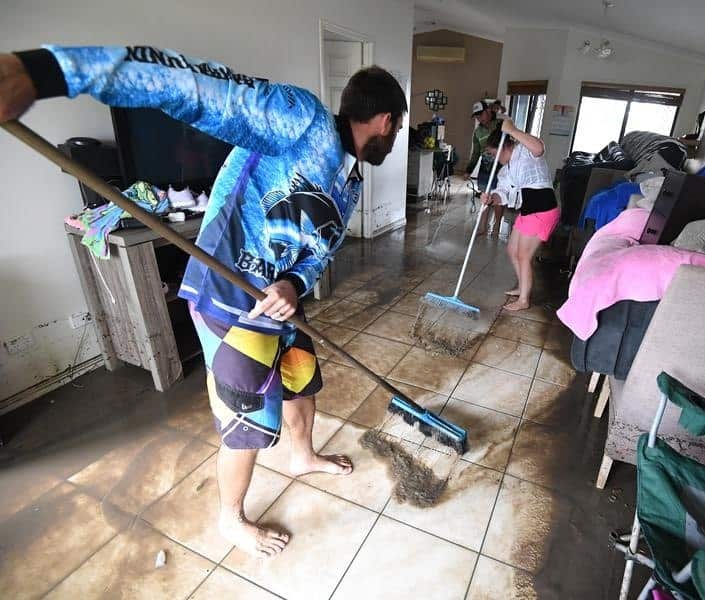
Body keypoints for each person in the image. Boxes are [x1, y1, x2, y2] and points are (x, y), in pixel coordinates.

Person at [0, 45, 406, 557]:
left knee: (303, 383)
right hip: (230, 300)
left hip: (282, 304)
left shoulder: (347, 182)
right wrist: (42, 72)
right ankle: (231, 519)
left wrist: (295, 285)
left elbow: (317, 255)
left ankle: (301, 456)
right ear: (386, 121)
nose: (393, 139)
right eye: (396, 130)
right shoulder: (299, 121)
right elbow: (196, 88)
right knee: (248, 420)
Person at [482, 118, 559, 311]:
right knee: (512, 250)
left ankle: (524, 299)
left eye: (493, 153)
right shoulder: (505, 170)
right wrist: (491, 198)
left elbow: (539, 148)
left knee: (524, 255)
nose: (494, 158)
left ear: (503, 146)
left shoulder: (525, 150)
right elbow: (503, 194)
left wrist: (512, 130)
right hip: (528, 210)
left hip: (542, 208)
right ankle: (522, 287)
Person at [464, 100, 502, 235]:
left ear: (487, 111)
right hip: (485, 168)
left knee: (498, 198)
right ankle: (483, 227)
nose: (479, 118)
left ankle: (497, 227)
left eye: (481, 115)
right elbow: (475, 153)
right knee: (485, 198)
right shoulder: (478, 132)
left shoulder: (499, 125)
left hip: (500, 168)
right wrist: (469, 170)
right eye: (477, 116)